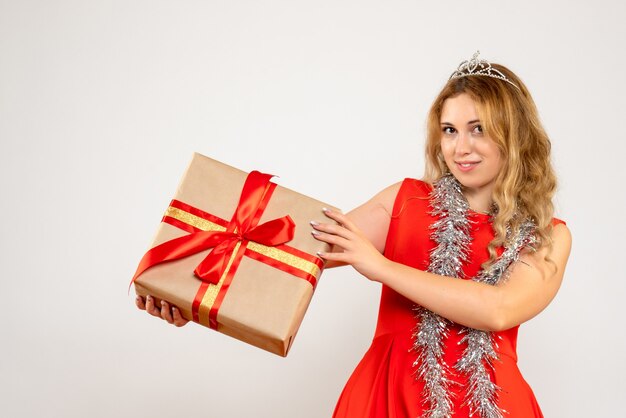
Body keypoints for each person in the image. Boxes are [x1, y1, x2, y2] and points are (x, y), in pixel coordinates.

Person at [137, 51, 572, 418]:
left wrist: (381, 267)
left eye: (478, 128)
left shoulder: (548, 237)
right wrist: (187, 293)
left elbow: (497, 310)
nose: (461, 148)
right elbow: (287, 252)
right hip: (385, 397)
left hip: (493, 405)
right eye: (449, 130)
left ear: (513, 135)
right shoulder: (405, 200)